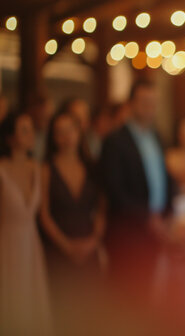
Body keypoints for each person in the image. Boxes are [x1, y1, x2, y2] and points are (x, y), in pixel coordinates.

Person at [99, 79, 174, 300]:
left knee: (151, 296)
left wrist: (168, 212)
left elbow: (165, 179)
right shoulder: (114, 141)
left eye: (153, 103)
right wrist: (148, 219)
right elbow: (115, 191)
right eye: (144, 102)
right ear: (131, 104)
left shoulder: (157, 137)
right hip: (128, 234)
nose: (149, 108)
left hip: (156, 230)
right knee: (126, 300)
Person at [39, 110, 106, 333]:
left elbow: (101, 210)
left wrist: (93, 241)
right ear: (53, 137)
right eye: (60, 132)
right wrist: (67, 247)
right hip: (58, 252)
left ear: (79, 132)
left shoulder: (92, 167)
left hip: (89, 249)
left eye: (70, 130)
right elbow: (44, 214)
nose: (66, 137)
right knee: (63, 317)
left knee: (92, 316)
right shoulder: (46, 169)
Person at [0, 112, 54, 335]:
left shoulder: (38, 168)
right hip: (6, 244)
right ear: (10, 137)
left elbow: (43, 213)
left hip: (31, 245)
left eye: (31, 128)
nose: (31, 133)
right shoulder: (1, 169)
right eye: (24, 129)